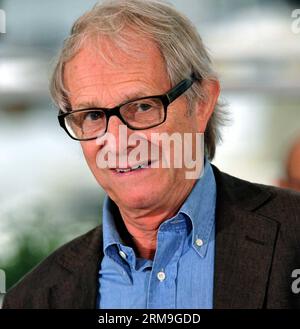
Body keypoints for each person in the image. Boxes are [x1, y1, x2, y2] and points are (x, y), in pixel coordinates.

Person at [3, 0, 300, 309]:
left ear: (201, 104)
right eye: (92, 115)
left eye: (143, 106)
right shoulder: (34, 299)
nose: (118, 142)